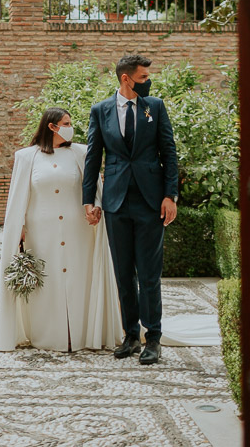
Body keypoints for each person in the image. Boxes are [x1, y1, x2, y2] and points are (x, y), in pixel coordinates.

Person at [0, 107, 123, 352]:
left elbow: (93, 189)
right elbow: (19, 196)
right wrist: (18, 226)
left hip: (78, 230)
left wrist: (95, 207)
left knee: (78, 279)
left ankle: (81, 334)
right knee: (47, 282)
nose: (70, 127)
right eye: (66, 122)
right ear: (52, 126)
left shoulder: (82, 153)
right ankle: (47, 336)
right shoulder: (26, 157)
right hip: (40, 232)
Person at [82, 54, 179, 366]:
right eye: (142, 77)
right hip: (115, 203)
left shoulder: (155, 107)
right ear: (126, 79)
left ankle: (154, 338)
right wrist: (89, 200)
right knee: (124, 273)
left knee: (149, 274)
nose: (148, 81)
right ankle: (131, 335)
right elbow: (93, 157)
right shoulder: (101, 111)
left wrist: (170, 195)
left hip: (151, 203)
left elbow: (169, 152)